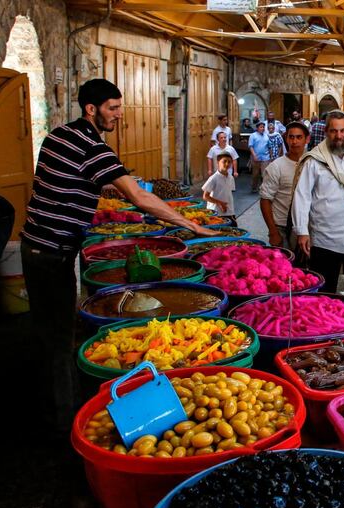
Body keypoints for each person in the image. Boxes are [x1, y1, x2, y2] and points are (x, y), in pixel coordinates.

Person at [20, 78, 216, 433]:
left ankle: (53, 408)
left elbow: (82, 178)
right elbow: (139, 199)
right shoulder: (93, 147)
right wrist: (192, 225)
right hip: (51, 250)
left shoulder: (60, 135)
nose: (119, 115)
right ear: (91, 109)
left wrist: (122, 181)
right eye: (113, 108)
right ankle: (64, 426)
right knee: (59, 339)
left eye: (119, 107)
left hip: (39, 245)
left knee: (49, 333)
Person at [292, 110, 344, 303]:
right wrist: (302, 232)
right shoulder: (314, 160)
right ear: (326, 132)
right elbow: (302, 196)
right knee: (325, 291)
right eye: (334, 131)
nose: (339, 136)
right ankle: (327, 330)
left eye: (343, 131)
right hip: (325, 238)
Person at [260, 122, 309, 248]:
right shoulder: (276, 166)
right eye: (291, 137)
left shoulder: (313, 164)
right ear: (286, 139)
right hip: (281, 226)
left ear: (307, 139)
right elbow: (265, 200)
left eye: (299, 137)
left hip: (307, 226)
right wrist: (273, 232)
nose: (294, 141)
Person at [202, 153, 238, 226]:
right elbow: (205, 196)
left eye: (229, 162)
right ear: (218, 162)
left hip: (229, 212)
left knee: (233, 231)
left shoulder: (230, 178)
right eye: (224, 161)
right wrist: (220, 203)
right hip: (215, 212)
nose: (227, 164)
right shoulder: (213, 178)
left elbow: (228, 194)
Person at [248, 121, 270, 193]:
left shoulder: (266, 135)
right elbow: (250, 146)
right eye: (261, 127)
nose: (262, 128)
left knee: (265, 174)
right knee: (255, 174)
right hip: (256, 157)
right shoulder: (253, 135)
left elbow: (269, 146)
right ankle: (254, 188)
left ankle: (263, 188)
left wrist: (271, 156)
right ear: (257, 128)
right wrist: (254, 155)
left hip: (265, 157)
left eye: (263, 127)